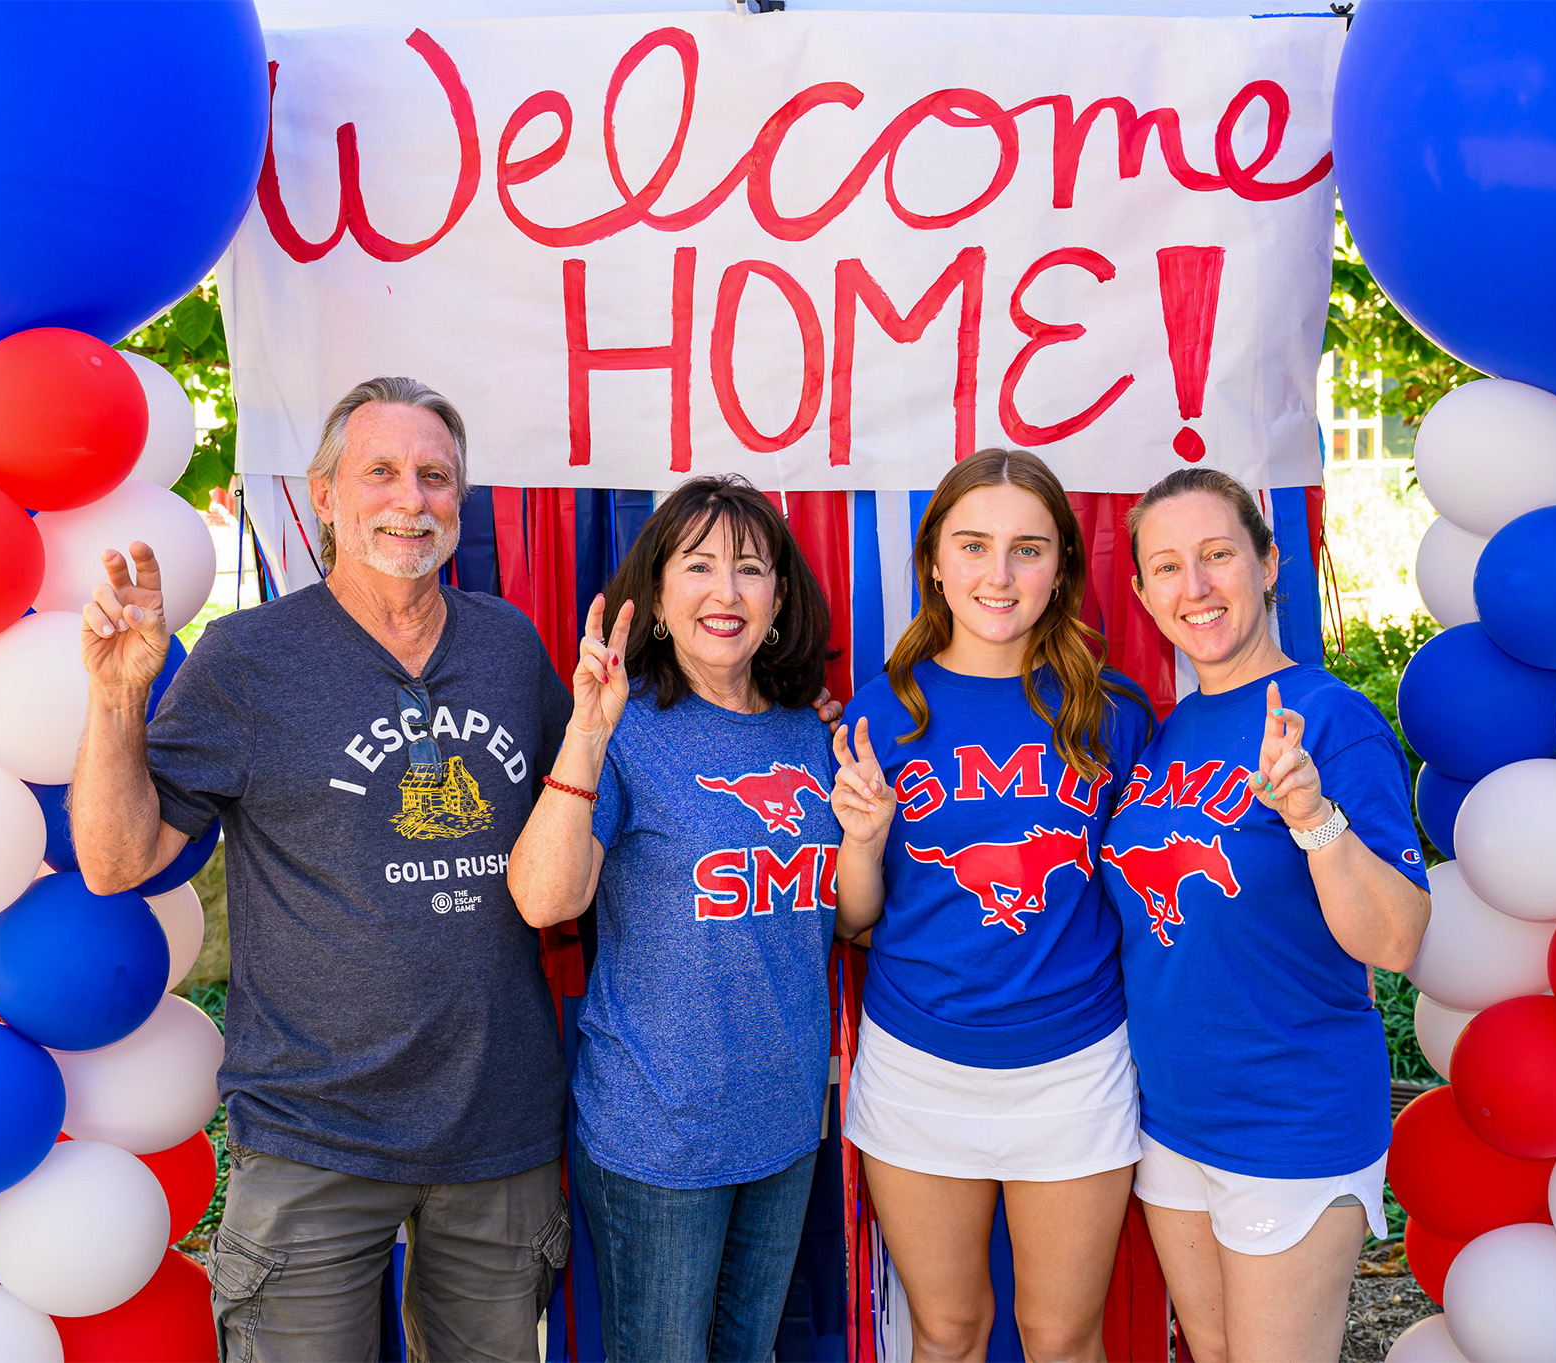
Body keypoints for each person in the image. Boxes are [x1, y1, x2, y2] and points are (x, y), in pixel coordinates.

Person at [71, 376, 573, 1362]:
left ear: (458, 503)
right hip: (314, 1135)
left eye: (435, 477)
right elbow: (118, 860)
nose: (409, 500)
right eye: (379, 472)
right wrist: (116, 698)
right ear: (324, 495)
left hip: (499, 1129)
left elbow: (583, 814)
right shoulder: (248, 658)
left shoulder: (512, 646)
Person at [1099, 467, 1431, 1363]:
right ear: (1140, 591)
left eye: (1217, 556)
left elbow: (1396, 941)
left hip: (1291, 1117)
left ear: (1269, 560)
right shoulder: (1165, 732)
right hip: (1171, 1120)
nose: (1194, 587)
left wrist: (1313, 817)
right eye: (1166, 567)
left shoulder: (1330, 719)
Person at [827, 448, 1152, 1363]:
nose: (998, 575)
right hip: (918, 1064)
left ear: (1062, 568)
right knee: (947, 1328)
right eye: (972, 545)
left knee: (1059, 1335)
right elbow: (853, 921)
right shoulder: (881, 713)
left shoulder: (1112, 714)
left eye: (1027, 548)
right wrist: (860, 837)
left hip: (1074, 1066)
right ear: (934, 558)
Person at [509, 475, 843, 1363]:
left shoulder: (811, 733)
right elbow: (545, 899)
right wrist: (586, 731)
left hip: (782, 1124)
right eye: (697, 566)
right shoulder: (627, 730)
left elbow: (846, 910)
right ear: (656, 596)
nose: (725, 592)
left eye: (749, 568)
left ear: (779, 597)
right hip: (659, 1136)